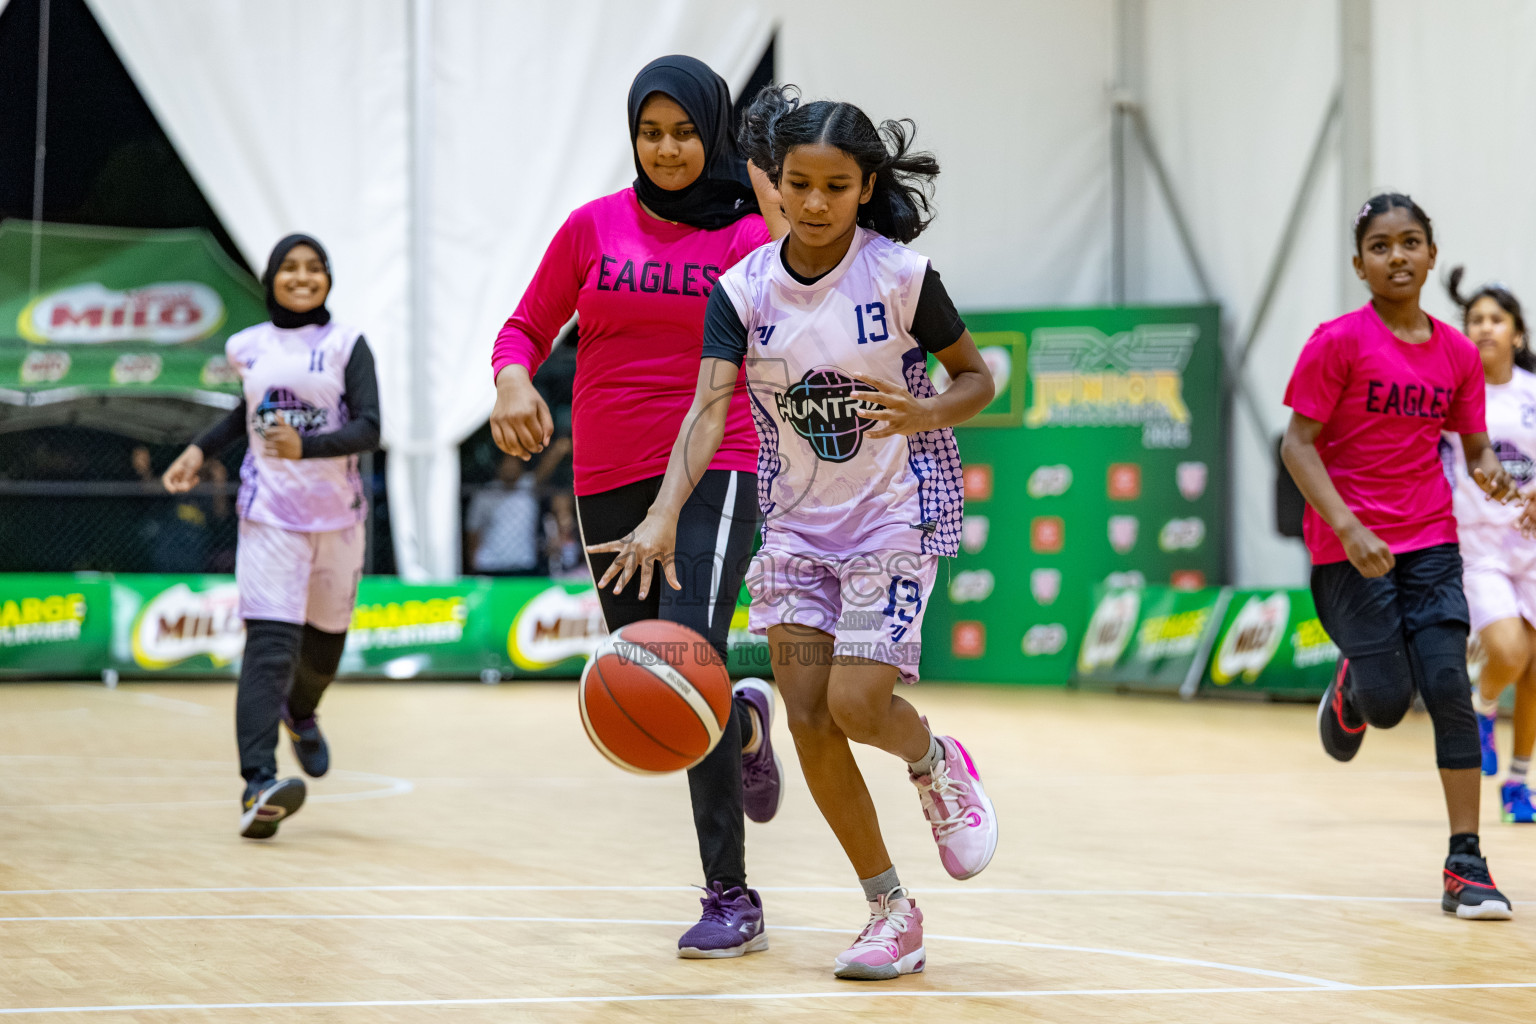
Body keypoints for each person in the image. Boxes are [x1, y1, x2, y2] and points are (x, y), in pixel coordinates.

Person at [592, 85, 1000, 981]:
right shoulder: (741, 289)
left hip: (893, 511)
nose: (815, 204)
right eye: (799, 184)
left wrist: (927, 409)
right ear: (772, 183)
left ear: (865, 188)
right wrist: (663, 513)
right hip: (797, 527)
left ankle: (934, 761)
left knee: (857, 706)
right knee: (810, 719)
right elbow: (708, 410)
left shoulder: (900, 275)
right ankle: (891, 909)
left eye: (836, 187)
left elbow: (979, 381)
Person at [489, 55, 788, 958]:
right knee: (653, 673)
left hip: (717, 464)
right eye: (650, 132)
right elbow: (524, 328)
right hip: (607, 478)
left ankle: (731, 895)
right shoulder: (592, 229)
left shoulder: (746, 239)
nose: (667, 148)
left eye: (685, 131)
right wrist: (511, 382)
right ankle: (739, 723)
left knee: (685, 657)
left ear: (714, 132)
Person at [1281, 194, 1517, 919]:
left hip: (1430, 539)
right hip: (1348, 547)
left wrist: (1500, 479)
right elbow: (1297, 444)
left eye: (1411, 242)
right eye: (1381, 247)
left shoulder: (1455, 353)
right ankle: (1356, 687)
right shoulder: (1337, 342)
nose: (1398, 257)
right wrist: (1349, 527)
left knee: (1448, 683)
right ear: (1360, 265)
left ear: (1432, 254)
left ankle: (1466, 863)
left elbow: (1473, 446)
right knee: (1388, 705)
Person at [163, 234, 381, 840]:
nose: (303, 276)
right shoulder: (247, 346)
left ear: (328, 280)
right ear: (271, 278)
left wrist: (306, 446)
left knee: (324, 653)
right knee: (270, 648)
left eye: (315, 268)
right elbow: (246, 412)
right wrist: (198, 449)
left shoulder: (345, 345)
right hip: (270, 517)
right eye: (291, 267)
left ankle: (302, 713)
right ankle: (258, 784)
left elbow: (369, 427)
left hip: (338, 519)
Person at [1441, 269, 1536, 821]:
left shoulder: (1530, 394)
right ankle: (1481, 705)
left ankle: (1519, 786)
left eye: (1495, 319)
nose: (1484, 328)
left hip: (1531, 547)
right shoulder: (1454, 397)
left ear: (1517, 334)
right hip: (1479, 546)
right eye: (1474, 319)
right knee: (1509, 652)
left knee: (1535, 670)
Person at [465, 441, 569, 576]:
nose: (510, 467)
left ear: (521, 466)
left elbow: (545, 468)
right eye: (506, 462)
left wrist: (559, 449)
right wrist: (473, 564)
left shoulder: (527, 487)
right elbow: (473, 531)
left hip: (523, 566)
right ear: (498, 466)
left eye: (514, 462)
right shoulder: (484, 494)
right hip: (489, 566)